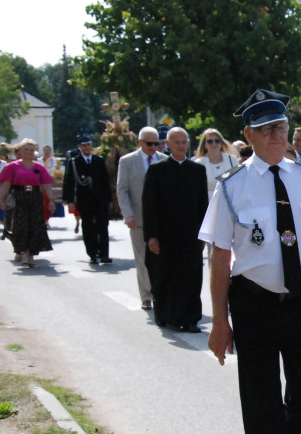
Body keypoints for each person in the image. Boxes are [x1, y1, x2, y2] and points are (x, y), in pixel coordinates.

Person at [199, 89, 301, 434]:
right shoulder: (232, 187)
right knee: (261, 403)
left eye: (281, 126)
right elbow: (220, 257)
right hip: (253, 302)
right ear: (249, 135)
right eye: (267, 129)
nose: (278, 135)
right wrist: (220, 321)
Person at [143, 127, 209, 332]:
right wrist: (152, 236)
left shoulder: (197, 170)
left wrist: (204, 234)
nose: (181, 146)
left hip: (190, 235)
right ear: (168, 144)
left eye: (184, 141)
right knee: (165, 276)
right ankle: (164, 315)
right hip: (165, 234)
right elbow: (149, 205)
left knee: (191, 277)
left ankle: (190, 318)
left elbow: (202, 205)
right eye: (176, 142)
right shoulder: (157, 170)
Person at [117, 127, 167, 310]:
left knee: (161, 258)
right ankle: (146, 295)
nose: (154, 147)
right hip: (138, 219)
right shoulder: (127, 161)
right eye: (150, 143)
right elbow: (122, 189)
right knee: (142, 258)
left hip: (161, 220)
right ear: (140, 142)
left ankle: (161, 292)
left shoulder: (165, 160)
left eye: (157, 143)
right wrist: (127, 214)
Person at [0, 138, 55, 268]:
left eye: (31, 150)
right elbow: (6, 184)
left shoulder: (39, 167)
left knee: (35, 226)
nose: (29, 152)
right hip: (19, 197)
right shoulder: (11, 167)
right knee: (21, 226)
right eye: (26, 150)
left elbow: (47, 185)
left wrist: (51, 201)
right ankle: (23, 254)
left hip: (35, 198)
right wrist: (1, 199)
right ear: (20, 151)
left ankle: (31, 254)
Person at [63, 132, 112, 264]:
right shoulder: (75, 162)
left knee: (103, 226)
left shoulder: (99, 160)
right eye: (84, 145)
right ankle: (92, 253)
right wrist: (70, 201)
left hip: (100, 199)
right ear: (79, 146)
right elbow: (69, 182)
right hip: (85, 199)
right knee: (88, 226)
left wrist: (109, 199)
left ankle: (104, 254)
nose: (87, 147)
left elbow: (105, 181)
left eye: (89, 144)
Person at [193, 128, 239, 197]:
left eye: (217, 141)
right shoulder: (198, 163)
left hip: (230, 201)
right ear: (204, 145)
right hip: (208, 203)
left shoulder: (232, 160)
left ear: (221, 143)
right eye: (210, 141)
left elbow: (239, 182)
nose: (214, 143)